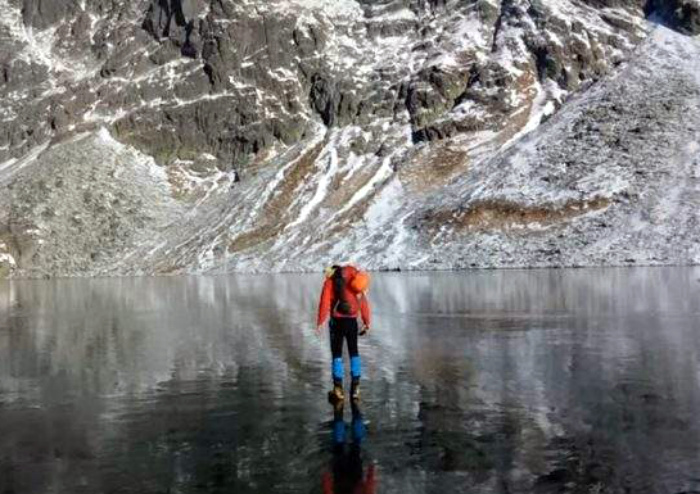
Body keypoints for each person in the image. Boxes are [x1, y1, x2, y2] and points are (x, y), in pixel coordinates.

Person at [316, 265, 371, 402]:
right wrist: (366, 321)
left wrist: (320, 321)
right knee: (354, 352)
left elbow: (324, 302)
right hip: (352, 322)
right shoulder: (354, 281)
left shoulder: (330, 282)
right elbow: (363, 301)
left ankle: (338, 390)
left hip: (337, 322)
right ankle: (355, 389)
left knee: (337, 354)